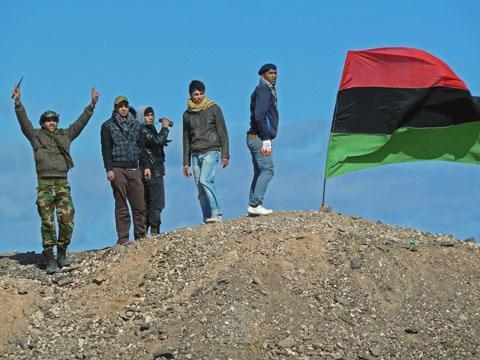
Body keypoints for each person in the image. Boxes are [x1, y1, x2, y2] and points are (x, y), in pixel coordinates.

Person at [12, 84, 99, 274]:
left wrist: (91, 106)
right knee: (47, 221)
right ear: (42, 123)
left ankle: (62, 253)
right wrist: (18, 103)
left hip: (62, 183)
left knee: (67, 220)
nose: (52, 123)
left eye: (54, 120)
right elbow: (24, 122)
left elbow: (80, 124)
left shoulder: (65, 135)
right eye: (48, 120)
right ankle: (49, 257)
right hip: (44, 185)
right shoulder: (36, 136)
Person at [101, 96, 147, 245]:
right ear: (115, 108)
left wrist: (145, 166)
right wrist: (109, 169)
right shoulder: (107, 126)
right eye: (120, 106)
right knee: (121, 205)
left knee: (139, 204)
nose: (123, 108)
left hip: (134, 167)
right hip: (117, 167)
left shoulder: (137, 125)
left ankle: (141, 237)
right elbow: (106, 149)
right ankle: (123, 239)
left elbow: (142, 147)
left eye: (125, 106)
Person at [182, 80, 230, 223]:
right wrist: (185, 163)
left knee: (205, 180)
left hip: (212, 150)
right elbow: (185, 139)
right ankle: (207, 216)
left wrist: (225, 154)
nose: (199, 97)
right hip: (195, 154)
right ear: (191, 95)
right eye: (196, 94)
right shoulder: (186, 114)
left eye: (202, 93)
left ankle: (217, 213)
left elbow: (223, 132)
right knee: (199, 186)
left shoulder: (214, 108)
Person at [246, 63, 279, 216]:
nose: (274, 75)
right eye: (270, 73)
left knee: (259, 172)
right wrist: (266, 138)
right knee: (267, 170)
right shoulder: (264, 90)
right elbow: (260, 115)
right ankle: (255, 204)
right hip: (259, 138)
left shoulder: (266, 90)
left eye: (275, 73)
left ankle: (253, 205)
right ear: (263, 75)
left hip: (256, 137)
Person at [140, 106, 171, 235]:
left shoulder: (147, 130)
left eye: (152, 115)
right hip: (154, 171)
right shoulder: (143, 130)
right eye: (147, 115)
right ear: (142, 117)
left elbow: (157, 142)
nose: (151, 117)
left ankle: (145, 232)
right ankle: (154, 231)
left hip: (151, 170)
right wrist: (165, 128)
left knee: (149, 203)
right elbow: (157, 141)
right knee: (156, 203)